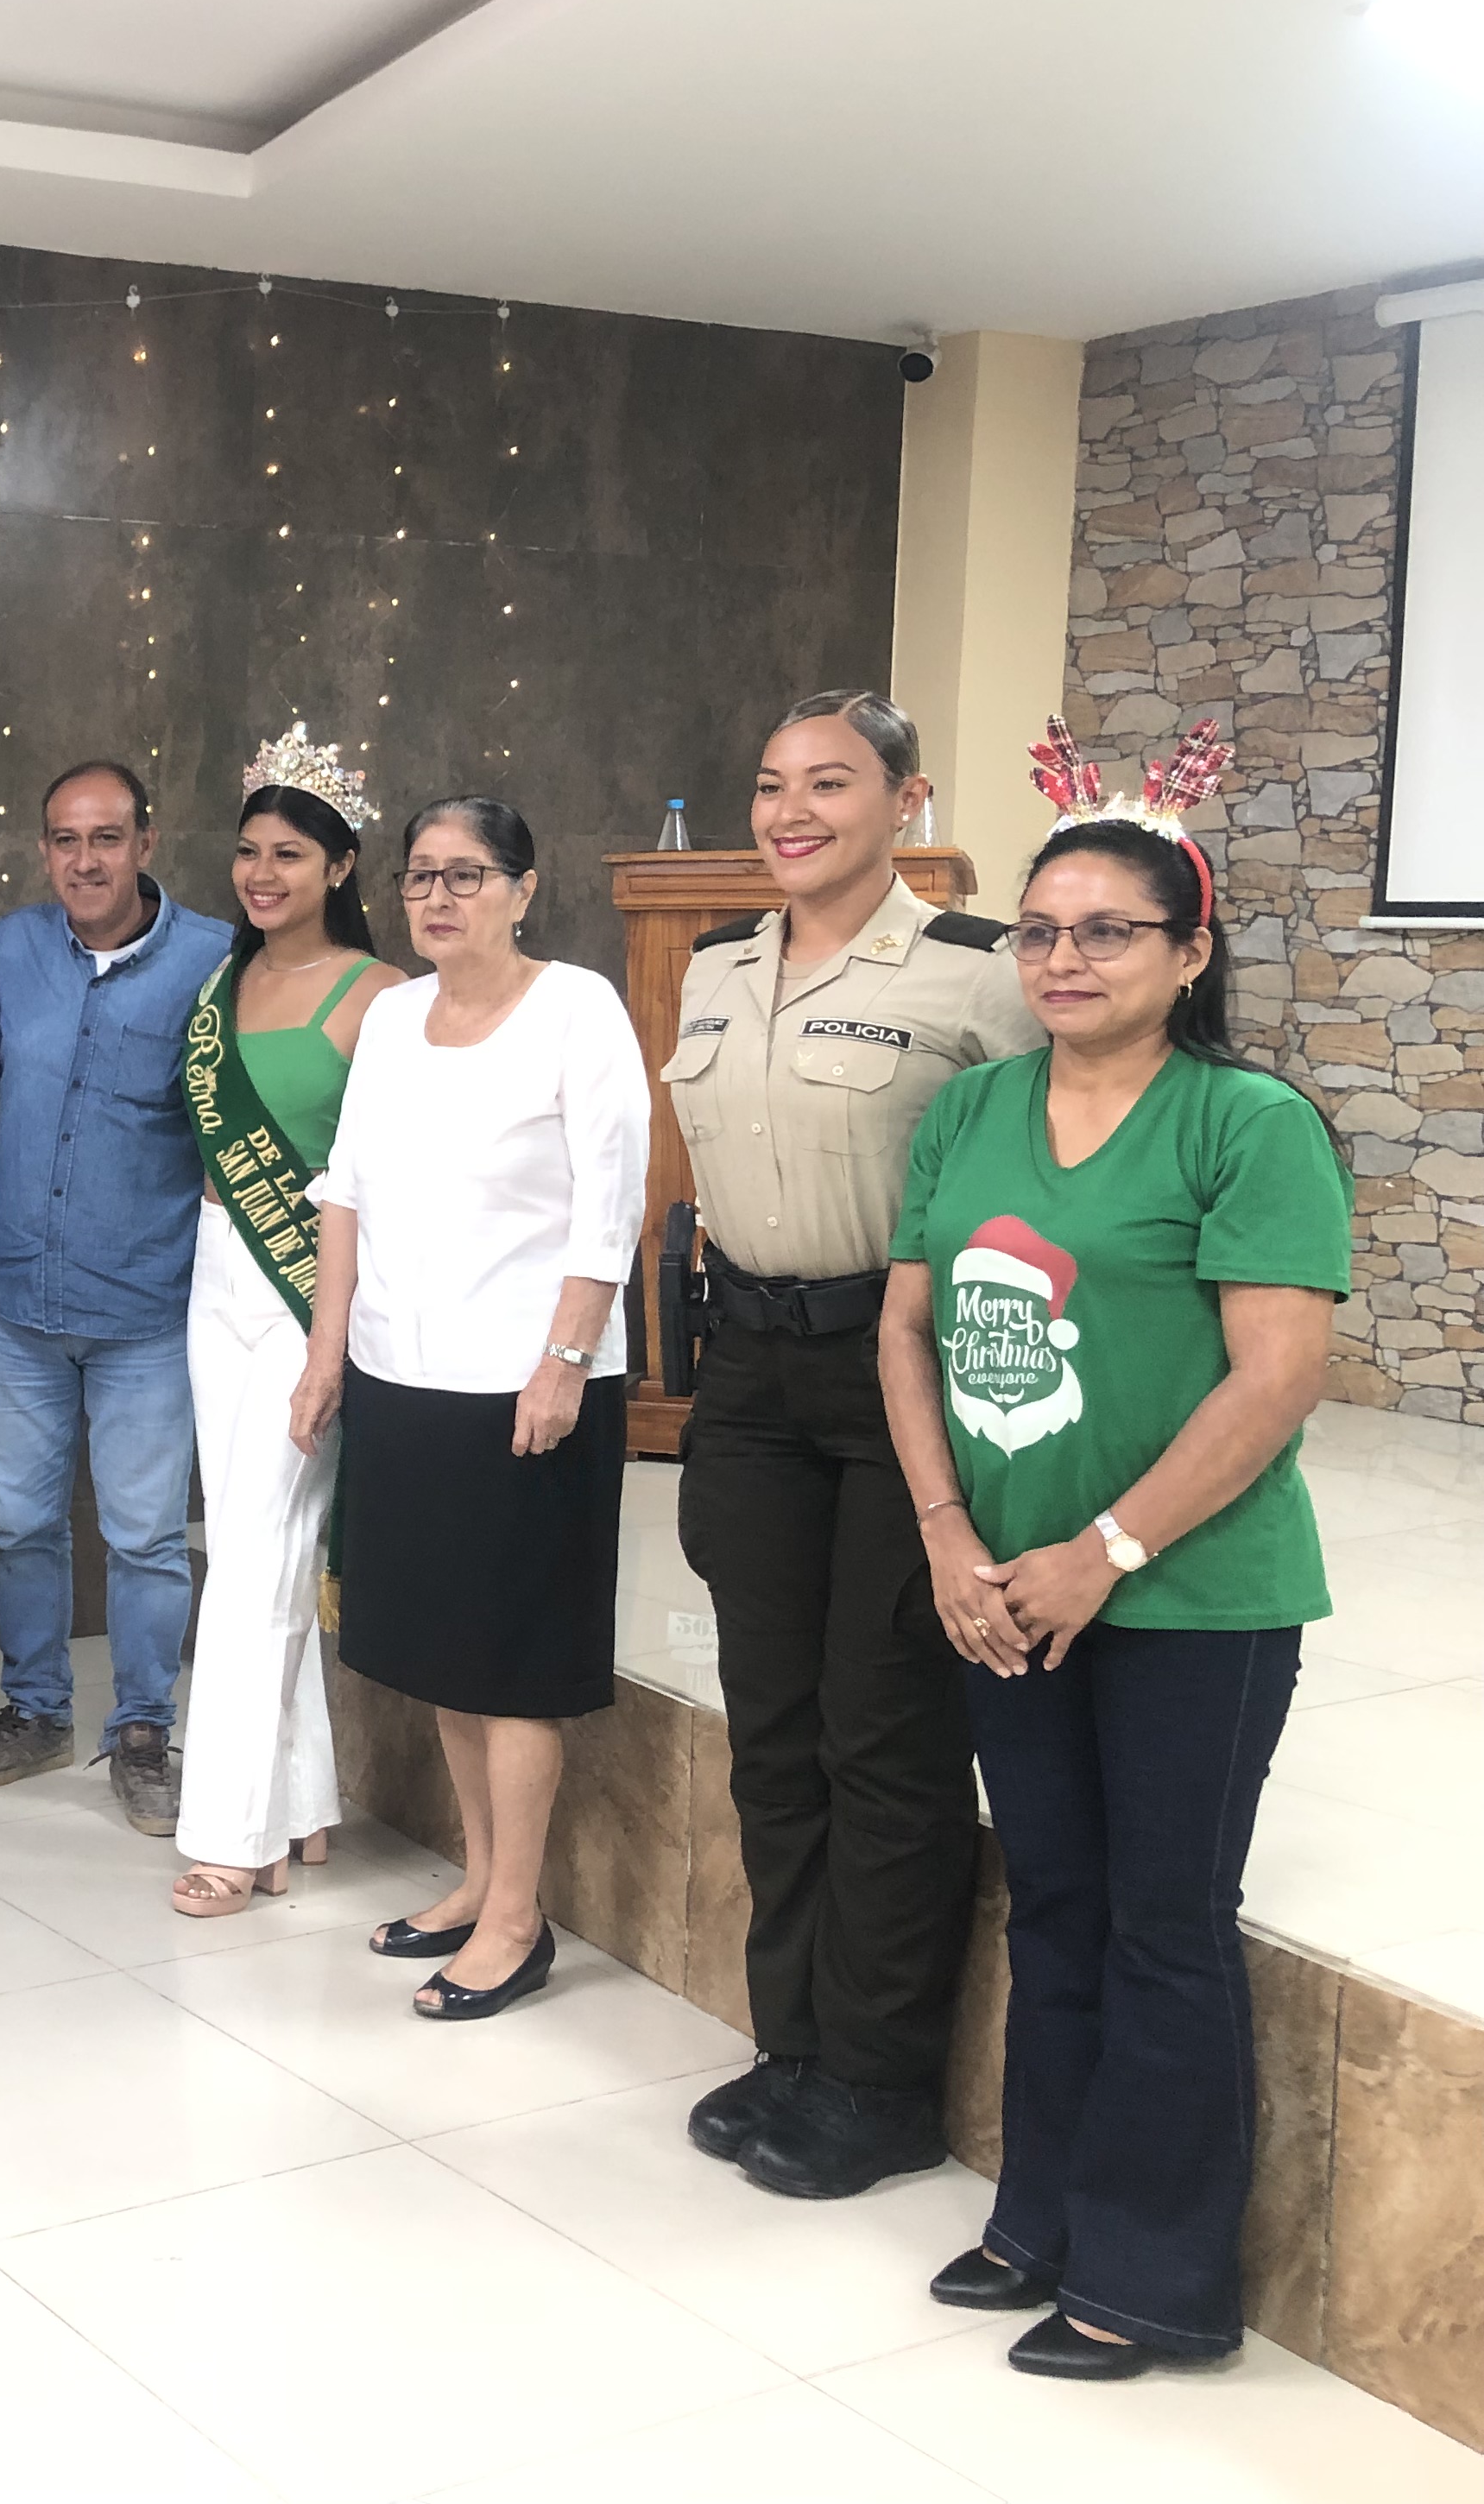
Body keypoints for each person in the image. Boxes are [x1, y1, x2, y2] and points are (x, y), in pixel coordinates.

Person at [881, 727, 1348, 2380]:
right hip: (1002, 1585)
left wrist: (1107, 1545)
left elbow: (1275, 1376)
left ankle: (1152, 2276)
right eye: (1038, 929)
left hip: (1192, 1598)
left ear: (1188, 951)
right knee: (1053, 1900)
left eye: (1104, 930)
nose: (1061, 957)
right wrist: (949, 1534)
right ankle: (1041, 2213)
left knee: (1162, 1916)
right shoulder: (971, 1108)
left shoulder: (1248, 1122)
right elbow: (907, 1327)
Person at [666, 692, 1041, 2198]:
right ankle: (795, 2043)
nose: (790, 811)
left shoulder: (978, 972)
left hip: (902, 1370)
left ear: (905, 801)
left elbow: (1044, 1162)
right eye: (771, 784)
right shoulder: (715, 966)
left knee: (884, 1729)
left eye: (829, 782)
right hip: (750, 1370)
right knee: (772, 1722)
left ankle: (878, 2082)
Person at [290, 796, 647, 2020]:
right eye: (421, 877)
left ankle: (518, 1918)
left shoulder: (577, 1010)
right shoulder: (394, 1015)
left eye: (467, 875)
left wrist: (565, 1359)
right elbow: (344, 1190)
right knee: (446, 1651)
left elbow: (610, 1202)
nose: (438, 898)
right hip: (403, 1374)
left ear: (524, 889)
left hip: (526, 1387)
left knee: (514, 1662)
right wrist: (328, 1351)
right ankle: (480, 1880)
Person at [0, 760, 234, 1830]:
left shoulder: (216, 960)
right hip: (18, 1302)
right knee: (19, 1523)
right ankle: (37, 1711)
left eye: (106, 837)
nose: (85, 860)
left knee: (147, 1536)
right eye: (65, 840)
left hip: (146, 1310)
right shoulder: (8, 951)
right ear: (44, 851)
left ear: (147, 843)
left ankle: (144, 1731)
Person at [167, 745, 398, 1917]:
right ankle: (300, 1803)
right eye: (250, 851)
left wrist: (332, 1339)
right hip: (215, 1270)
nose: (263, 873)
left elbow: (390, 1178)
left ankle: (228, 1834)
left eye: (291, 855)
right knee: (259, 1542)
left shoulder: (380, 996)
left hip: (311, 1282)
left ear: (340, 866)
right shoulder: (222, 982)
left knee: (256, 1557)